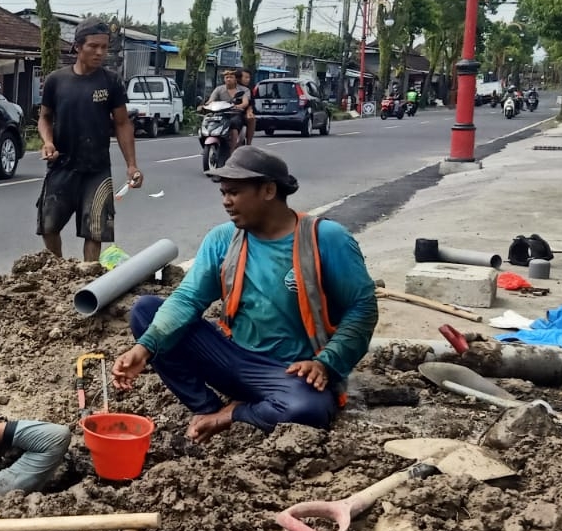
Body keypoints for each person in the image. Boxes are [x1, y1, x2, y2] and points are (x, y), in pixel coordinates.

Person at [111, 148, 378, 443]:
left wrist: (326, 363)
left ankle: (232, 413)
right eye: (224, 192)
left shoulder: (326, 239)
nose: (226, 201)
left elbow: (362, 308)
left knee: (308, 410)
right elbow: (188, 299)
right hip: (232, 357)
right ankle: (207, 408)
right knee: (146, 312)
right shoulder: (223, 239)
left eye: (235, 192)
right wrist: (145, 348)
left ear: (268, 190)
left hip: (292, 373)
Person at [36, 18, 144, 262]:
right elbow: (44, 118)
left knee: (94, 232)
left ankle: (87, 283)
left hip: (97, 169)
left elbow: (122, 123)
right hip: (61, 165)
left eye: (104, 47)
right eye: (93, 46)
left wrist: (132, 164)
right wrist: (48, 142)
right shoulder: (56, 81)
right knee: (49, 226)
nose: (100, 52)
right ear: (77, 47)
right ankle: (59, 272)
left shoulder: (111, 81)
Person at [206, 68, 251, 157]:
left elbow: (245, 102)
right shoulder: (219, 89)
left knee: (233, 126)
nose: (229, 79)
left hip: (235, 114)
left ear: (235, 79)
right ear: (224, 79)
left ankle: (232, 152)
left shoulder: (243, 90)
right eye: (227, 77)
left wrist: (238, 106)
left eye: (231, 77)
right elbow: (211, 100)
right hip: (220, 114)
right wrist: (204, 106)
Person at [237, 66, 257, 146]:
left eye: (249, 77)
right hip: (227, 111)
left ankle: (248, 144)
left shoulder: (247, 90)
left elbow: (251, 103)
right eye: (245, 77)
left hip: (242, 112)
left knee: (251, 119)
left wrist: (250, 110)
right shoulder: (225, 87)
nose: (248, 79)